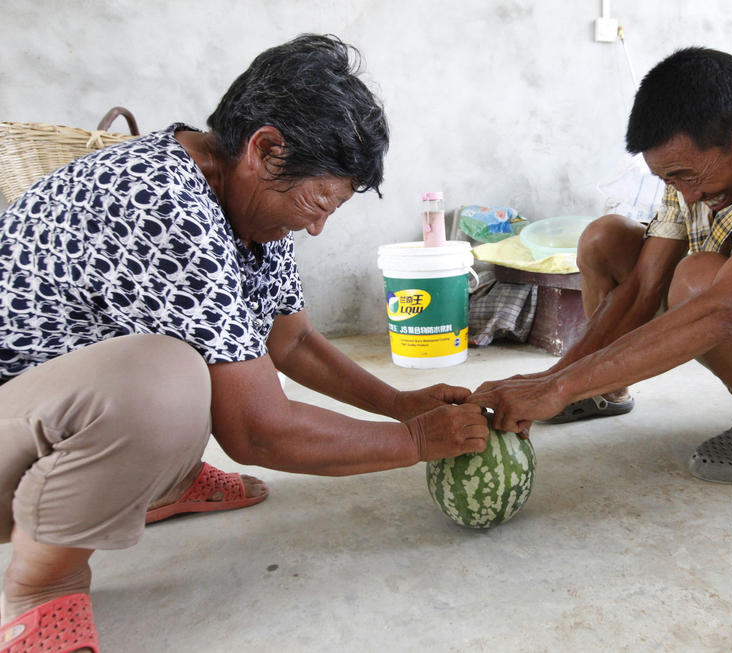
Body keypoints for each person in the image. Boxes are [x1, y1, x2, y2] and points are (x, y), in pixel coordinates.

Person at [0, 34, 489, 651]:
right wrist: (414, 441)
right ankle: (43, 587)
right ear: (264, 149)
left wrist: (399, 403)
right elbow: (256, 430)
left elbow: (294, 342)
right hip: (11, 449)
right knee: (163, 380)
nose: (316, 224)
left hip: (45, 423)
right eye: (319, 202)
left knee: (215, 365)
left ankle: (162, 485)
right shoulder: (159, 197)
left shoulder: (246, 202)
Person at [469, 47, 732, 485]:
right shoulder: (695, 167)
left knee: (697, 279)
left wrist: (560, 389)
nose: (686, 195)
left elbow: (724, 306)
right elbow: (641, 290)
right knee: (606, 237)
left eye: (686, 177)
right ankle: (606, 390)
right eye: (669, 180)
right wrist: (555, 379)